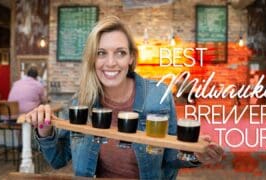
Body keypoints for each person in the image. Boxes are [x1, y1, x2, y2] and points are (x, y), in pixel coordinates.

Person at [25, 16, 223, 179]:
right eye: (101, 53)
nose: (110, 63)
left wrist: (196, 155)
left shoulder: (158, 96)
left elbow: (171, 158)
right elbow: (58, 159)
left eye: (120, 53)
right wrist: (44, 129)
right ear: (93, 59)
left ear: (131, 58)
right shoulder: (82, 101)